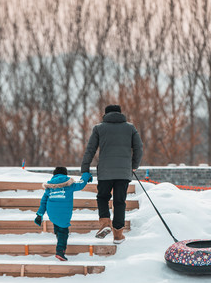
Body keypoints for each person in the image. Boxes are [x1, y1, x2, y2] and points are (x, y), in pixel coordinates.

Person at [80, 104, 143, 244]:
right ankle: (118, 235)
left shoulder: (99, 128)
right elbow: (139, 148)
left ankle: (104, 223)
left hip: (105, 172)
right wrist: (133, 166)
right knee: (120, 202)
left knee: (102, 197)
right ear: (120, 113)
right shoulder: (130, 128)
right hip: (123, 172)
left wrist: (85, 169)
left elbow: (90, 150)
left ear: (105, 114)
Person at [35, 167, 92, 261]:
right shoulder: (69, 184)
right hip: (64, 213)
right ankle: (60, 251)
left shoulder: (50, 187)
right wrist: (86, 175)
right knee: (63, 232)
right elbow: (81, 184)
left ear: (54, 175)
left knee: (57, 224)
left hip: (51, 212)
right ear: (65, 174)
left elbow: (43, 201)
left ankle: (58, 235)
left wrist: (39, 214)